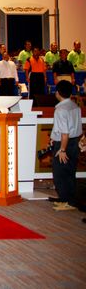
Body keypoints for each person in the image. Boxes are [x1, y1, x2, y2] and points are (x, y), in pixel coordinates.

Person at [48, 80, 83, 211]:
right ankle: (68, 199)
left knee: (60, 173)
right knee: (70, 172)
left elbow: (65, 133)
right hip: (74, 142)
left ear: (57, 93)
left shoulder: (61, 109)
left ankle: (66, 200)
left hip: (65, 144)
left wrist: (62, 150)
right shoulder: (75, 106)